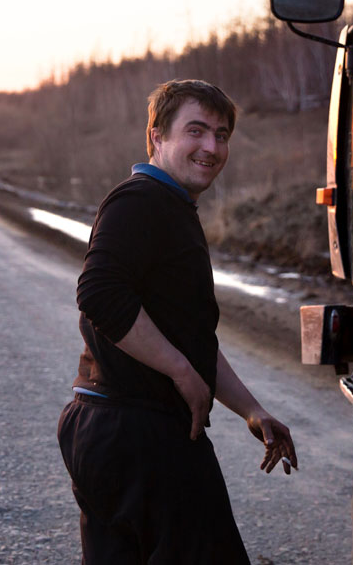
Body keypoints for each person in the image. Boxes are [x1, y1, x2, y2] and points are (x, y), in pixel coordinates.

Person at [56, 78, 297, 564]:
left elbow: (191, 339)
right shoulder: (140, 201)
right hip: (141, 435)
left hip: (111, 429)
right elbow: (98, 294)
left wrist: (252, 410)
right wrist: (180, 372)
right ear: (157, 136)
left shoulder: (170, 207)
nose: (211, 146)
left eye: (222, 135)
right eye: (196, 131)